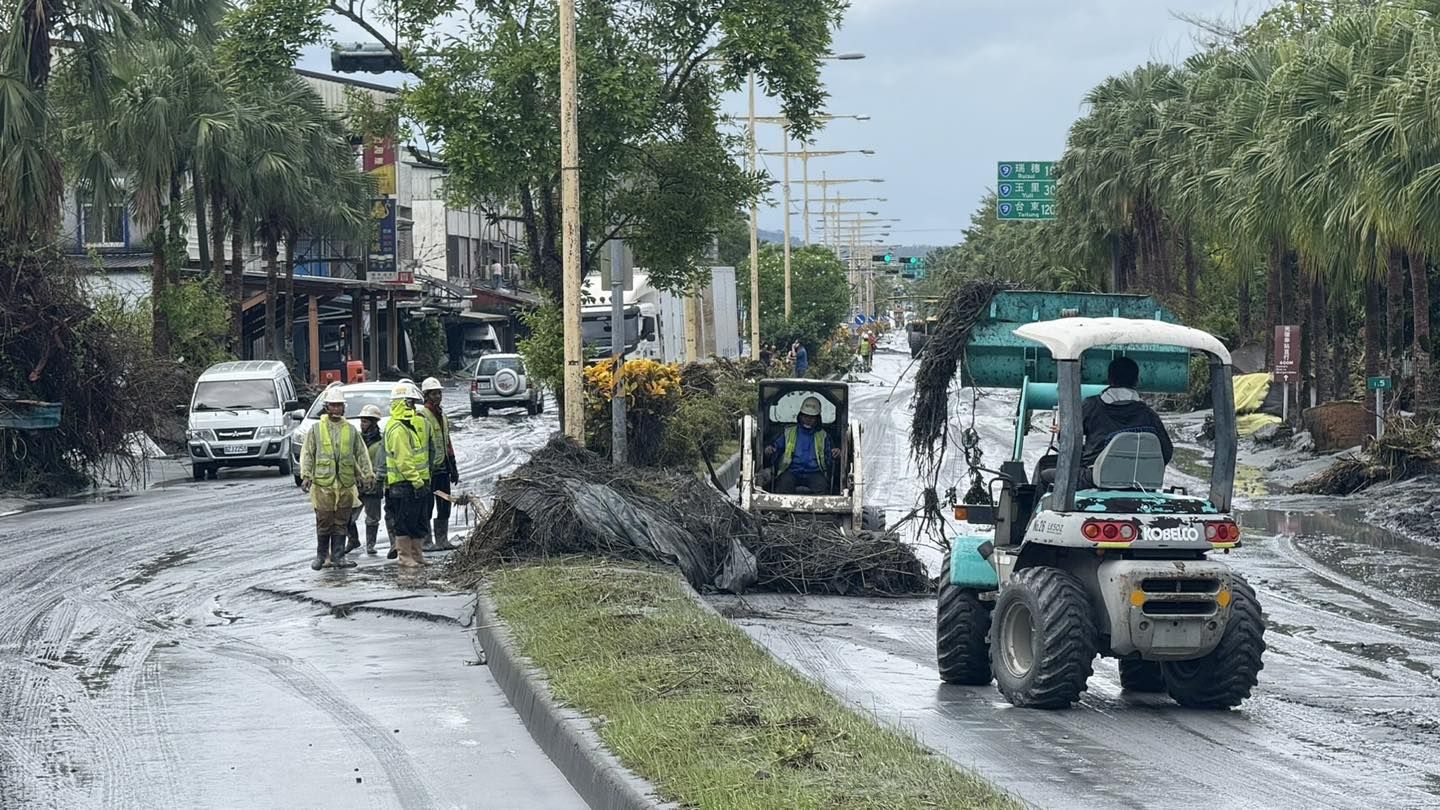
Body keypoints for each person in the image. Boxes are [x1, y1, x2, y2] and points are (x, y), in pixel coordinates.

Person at [300, 385, 375, 570]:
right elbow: (308, 453)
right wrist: (306, 475)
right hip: (323, 485)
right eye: (332, 405)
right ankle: (321, 556)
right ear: (326, 407)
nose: (336, 409)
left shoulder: (350, 430)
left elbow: (361, 453)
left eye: (339, 406)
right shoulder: (316, 430)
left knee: (341, 522)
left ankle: (339, 557)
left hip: (345, 484)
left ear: (343, 408)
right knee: (324, 521)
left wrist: (367, 474)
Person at [1075, 357, 1174, 485]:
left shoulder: (1091, 406)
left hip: (1094, 478)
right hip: (1139, 481)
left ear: (1110, 379)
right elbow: (1166, 452)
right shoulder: (1149, 415)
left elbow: (1068, 440)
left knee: (1045, 476)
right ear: (1136, 381)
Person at [384, 383, 432, 567]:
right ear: (402, 403)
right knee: (404, 522)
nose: (413, 407)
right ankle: (405, 557)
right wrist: (417, 481)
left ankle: (417, 555)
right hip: (403, 484)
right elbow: (404, 460)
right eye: (410, 403)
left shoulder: (408, 426)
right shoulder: (397, 429)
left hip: (415, 483)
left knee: (417, 520)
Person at [764, 396, 841, 494]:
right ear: (800, 416)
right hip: (791, 471)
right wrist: (770, 449)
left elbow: (830, 455)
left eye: (812, 417)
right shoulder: (788, 432)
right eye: (805, 416)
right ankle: (780, 510)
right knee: (783, 486)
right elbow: (776, 447)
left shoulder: (824, 436)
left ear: (817, 418)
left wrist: (836, 453)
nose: (808, 419)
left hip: (814, 473)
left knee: (822, 488)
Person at [419, 377, 461, 551]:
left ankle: (442, 540)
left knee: (444, 505)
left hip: (443, 469)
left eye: (439, 393)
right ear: (426, 395)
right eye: (434, 393)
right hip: (429, 471)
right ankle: (426, 541)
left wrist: (453, 467)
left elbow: (447, 442)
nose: (438, 396)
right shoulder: (422, 415)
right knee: (427, 507)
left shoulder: (442, 415)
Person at [345, 404, 386, 556]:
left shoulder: (381, 442)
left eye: (365, 422)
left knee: (372, 519)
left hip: (374, 485)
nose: (362, 425)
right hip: (357, 485)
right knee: (348, 516)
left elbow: (382, 463)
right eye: (361, 421)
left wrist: (377, 479)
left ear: (374, 423)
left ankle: (370, 545)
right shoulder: (356, 441)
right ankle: (353, 540)